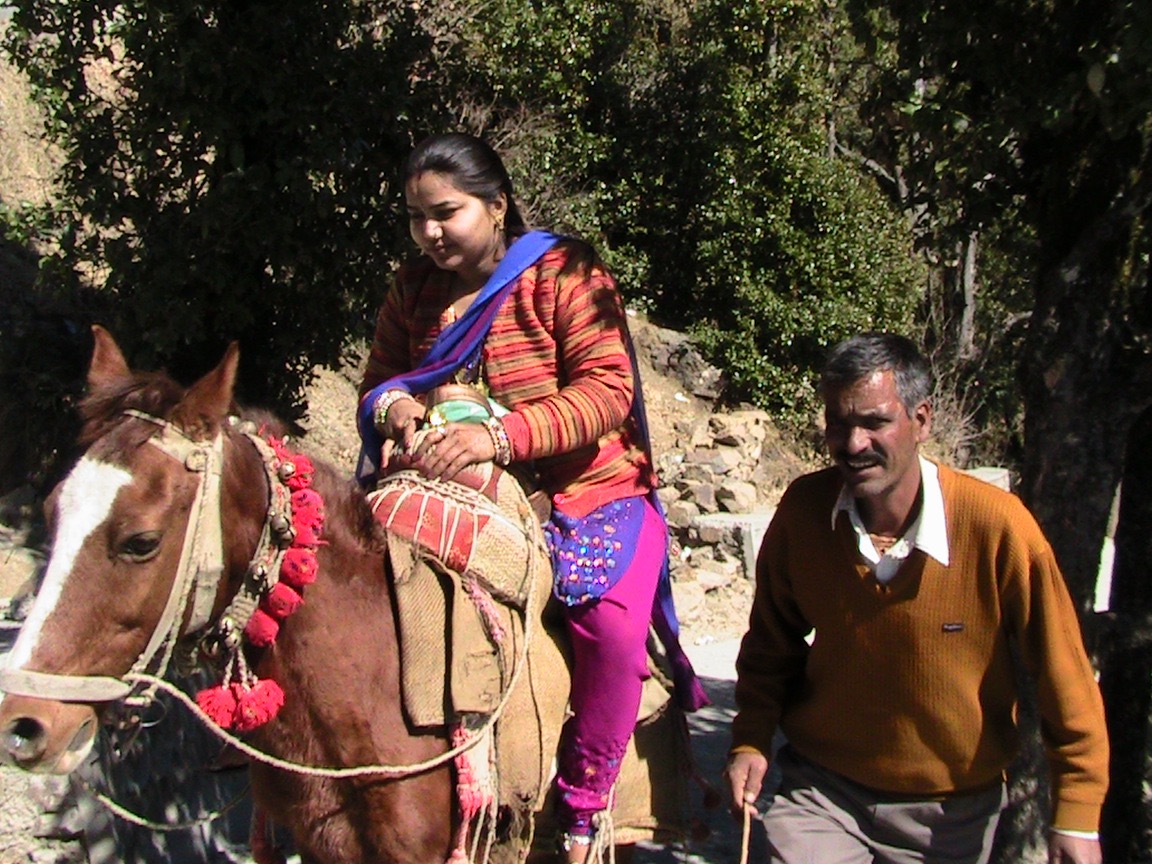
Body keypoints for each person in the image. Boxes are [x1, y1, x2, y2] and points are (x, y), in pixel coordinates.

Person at [356, 132, 707, 861]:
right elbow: (381, 380)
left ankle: (584, 806)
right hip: (449, 483)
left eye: (445, 213)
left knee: (608, 629)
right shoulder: (413, 288)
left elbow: (608, 391)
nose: (429, 232)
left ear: (496, 205)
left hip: (587, 490)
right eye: (416, 217)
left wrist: (503, 437)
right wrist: (397, 411)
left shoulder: (564, 273)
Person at [724, 332, 1109, 864]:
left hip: (954, 813)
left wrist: (1078, 815)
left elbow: (1064, 675)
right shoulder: (804, 514)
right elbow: (771, 645)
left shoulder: (996, 526)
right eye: (838, 422)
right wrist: (751, 738)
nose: (853, 442)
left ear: (921, 420)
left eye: (874, 422)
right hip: (824, 792)